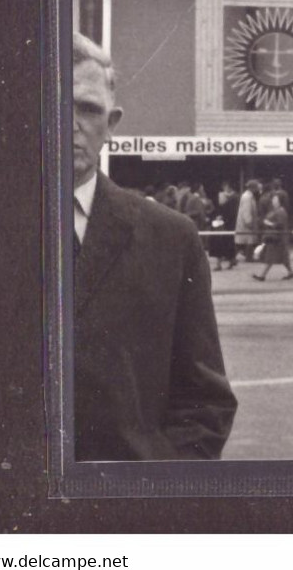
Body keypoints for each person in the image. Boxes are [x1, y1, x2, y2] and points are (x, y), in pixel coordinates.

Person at [69, 32, 235, 460]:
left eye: (86, 109)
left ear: (112, 123)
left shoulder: (170, 238)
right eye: (49, 105)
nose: (68, 123)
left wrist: (155, 488)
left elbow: (206, 402)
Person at [252, 192, 293, 281]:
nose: (273, 201)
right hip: (276, 237)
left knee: (270, 256)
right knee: (283, 257)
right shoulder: (275, 210)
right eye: (273, 199)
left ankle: (262, 275)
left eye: (275, 199)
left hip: (277, 237)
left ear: (280, 201)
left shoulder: (281, 211)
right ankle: (291, 272)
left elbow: (280, 225)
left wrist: (269, 223)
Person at [210, 183, 239, 271]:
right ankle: (231, 260)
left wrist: (221, 216)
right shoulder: (233, 198)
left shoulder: (231, 199)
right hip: (227, 224)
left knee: (220, 243)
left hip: (225, 225)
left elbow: (227, 211)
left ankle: (222, 263)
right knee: (227, 243)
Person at [235, 179, 260, 263]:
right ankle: (248, 257)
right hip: (246, 223)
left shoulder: (249, 196)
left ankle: (246, 255)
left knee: (249, 239)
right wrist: (248, 221)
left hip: (247, 222)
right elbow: (247, 210)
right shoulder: (247, 197)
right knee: (249, 239)